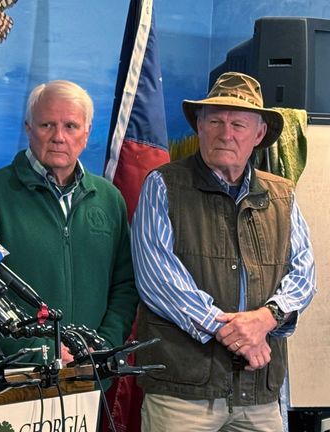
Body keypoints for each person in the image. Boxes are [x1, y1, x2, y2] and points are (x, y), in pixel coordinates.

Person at [131, 72, 316, 432]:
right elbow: (157, 278)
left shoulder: (283, 195)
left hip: (258, 392)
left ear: (259, 134)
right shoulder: (163, 185)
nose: (225, 133)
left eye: (238, 124)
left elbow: (304, 274)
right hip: (182, 392)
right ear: (199, 126)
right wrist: (234, 332)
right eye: (214, 120)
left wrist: (266, 319)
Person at [0, 80, 138, 364]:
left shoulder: (109, 199)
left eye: (71, 126)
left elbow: (124, 286)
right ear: (28, 129)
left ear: (87, 133)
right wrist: (39, 350)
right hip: (17, 379)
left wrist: (102, 346)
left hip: (89, 378)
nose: (59, 136)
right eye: (47, 125)